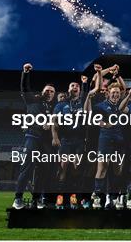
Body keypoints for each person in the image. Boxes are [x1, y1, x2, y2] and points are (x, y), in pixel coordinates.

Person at [12, 63, 56, 210]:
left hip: (45, 141)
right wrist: (25, 73)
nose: (49, 93)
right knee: (27, 168)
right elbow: (25, 89)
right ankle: (18, 199)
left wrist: (50, 125)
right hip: (32, 137)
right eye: (47, 90)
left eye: (52, 92)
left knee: (43, 171)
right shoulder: (33, 100)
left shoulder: (52, 108)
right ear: (43, 91)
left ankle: (37, 199)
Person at [86, 69, 125, 210]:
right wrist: (100, 123)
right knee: (102, 168)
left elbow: (124, 88)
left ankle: (112, 197)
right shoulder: (101, 105)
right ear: (108, 93)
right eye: (113, 92)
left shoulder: (122, 105)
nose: (115, 94)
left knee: (117, 170)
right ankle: (96, 196)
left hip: (119, 141)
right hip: (105, 139)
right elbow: (90, 114)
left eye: (117, 92)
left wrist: (118, 75)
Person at [51, 74, 89, 209]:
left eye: (77, 86)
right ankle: (60, 198)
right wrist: (55, 137)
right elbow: (54, 121)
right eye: (72, 85)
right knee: (63, 168)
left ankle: (73, 198)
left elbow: (86, 94)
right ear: (68, 89)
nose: (75, 87)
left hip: (79, 140)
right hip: (65, 140)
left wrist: (84, 83)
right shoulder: (61, 104)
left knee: (76, 168)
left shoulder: (82, 103)